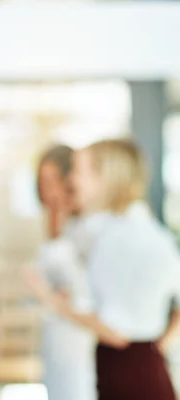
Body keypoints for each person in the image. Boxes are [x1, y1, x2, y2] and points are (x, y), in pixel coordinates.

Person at [44, 139, 180, 400]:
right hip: (137, 369)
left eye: (79, 171)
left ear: (104, 178)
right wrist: (156, 347)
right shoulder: (131, 230)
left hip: (129, 376)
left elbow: (114, 331)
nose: (71, 180)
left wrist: (52, 300)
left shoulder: (122, 239)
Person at [32, 145, 96, 400]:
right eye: (42, 181)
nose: (48, 190)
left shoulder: (88, 225)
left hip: (82, 339)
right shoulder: (52, 223)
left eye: (54, 180)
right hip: (55, 338)